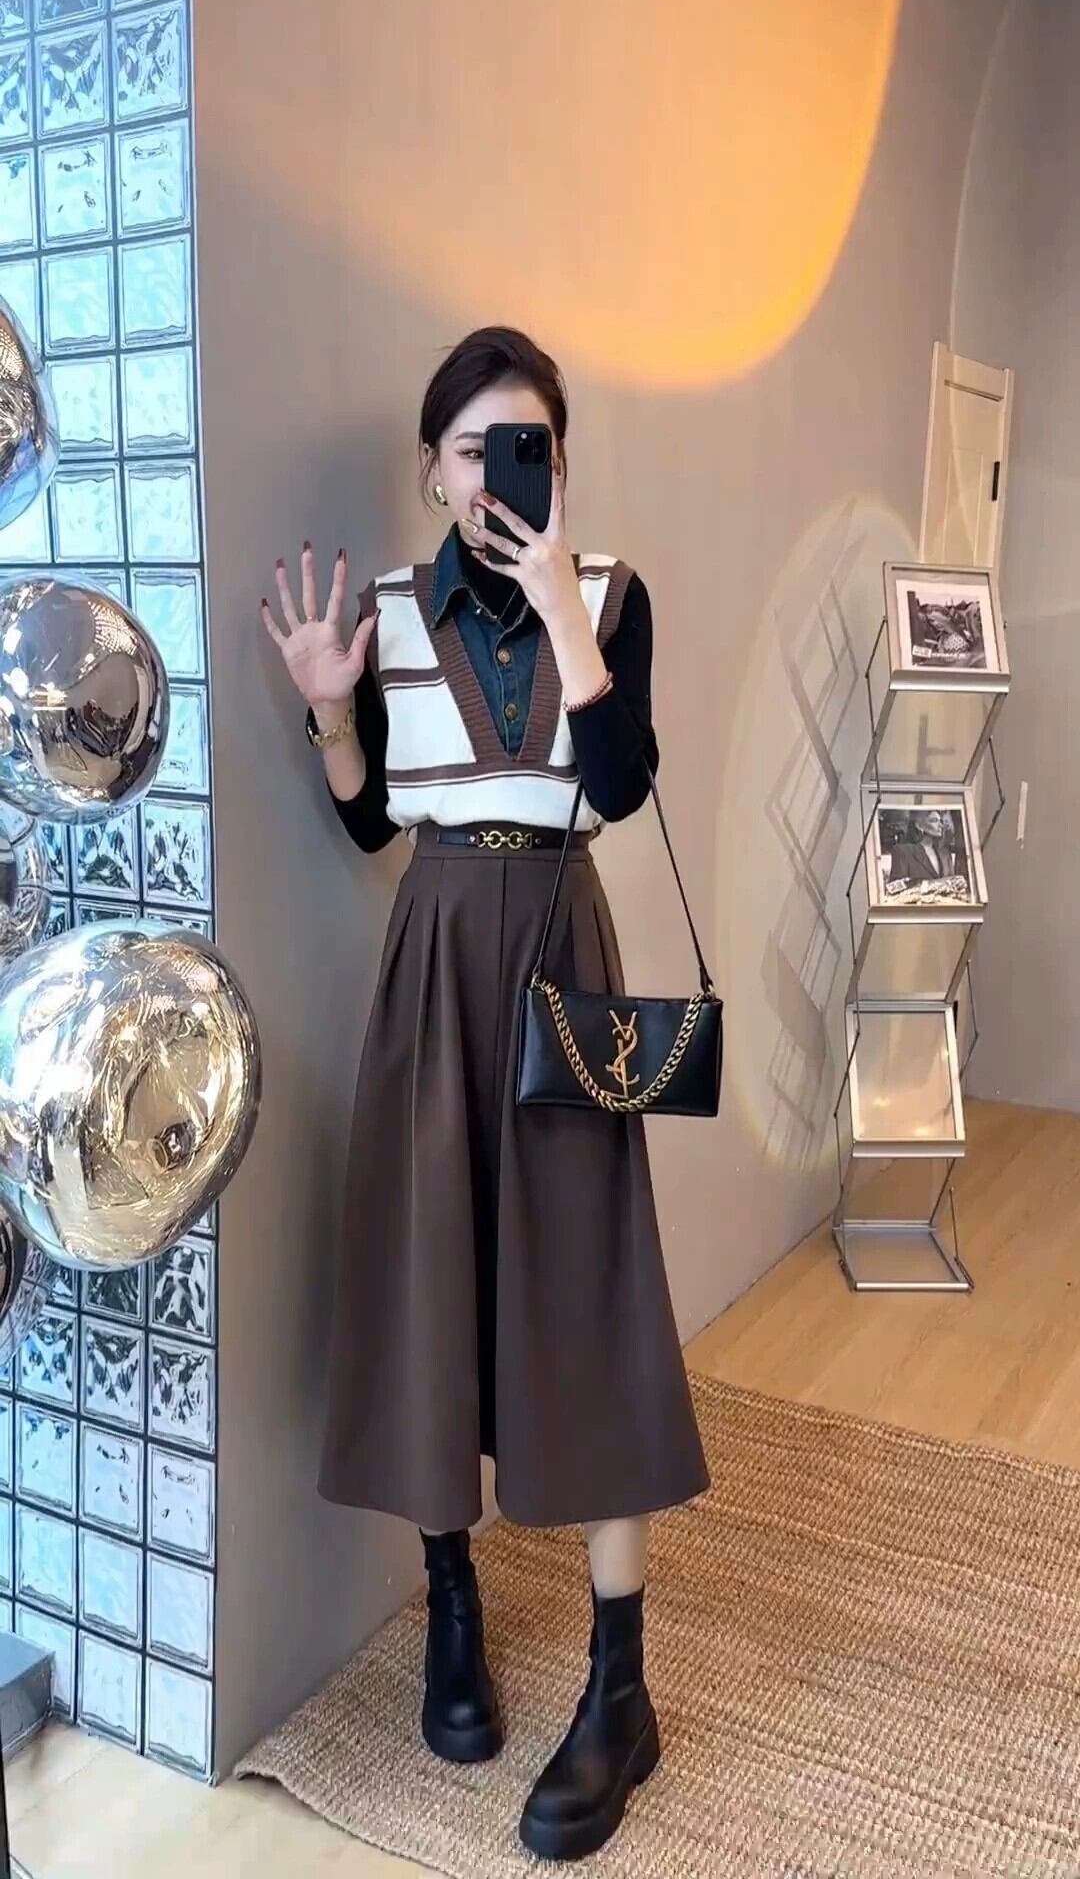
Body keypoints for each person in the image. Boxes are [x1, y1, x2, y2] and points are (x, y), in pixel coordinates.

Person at [260, 326, 708, 1862]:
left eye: (530, 449)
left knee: (594, 1289)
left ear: (559, 465)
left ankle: (621, 1691)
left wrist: (567, 605)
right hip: (435, 951)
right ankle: (451, 1602)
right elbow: (372, 825)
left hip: (565, 945)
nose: (499, 476)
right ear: (431, 465)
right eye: (473, 449)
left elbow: (621, 781)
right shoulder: (390, 616)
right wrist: (330, 705)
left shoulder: (615, 595)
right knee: (431, 1268)